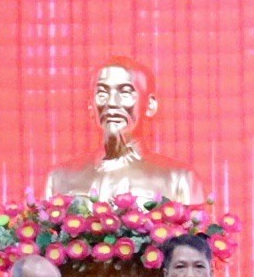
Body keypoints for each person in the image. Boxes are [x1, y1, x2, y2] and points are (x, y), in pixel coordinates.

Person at [44, 57, 205, 203]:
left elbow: (197, 226)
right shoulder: (59, 178)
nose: (112, 103)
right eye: (102, 94)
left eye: (125, 93)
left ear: (150, 105)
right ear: (91, 107)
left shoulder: (179, 179)